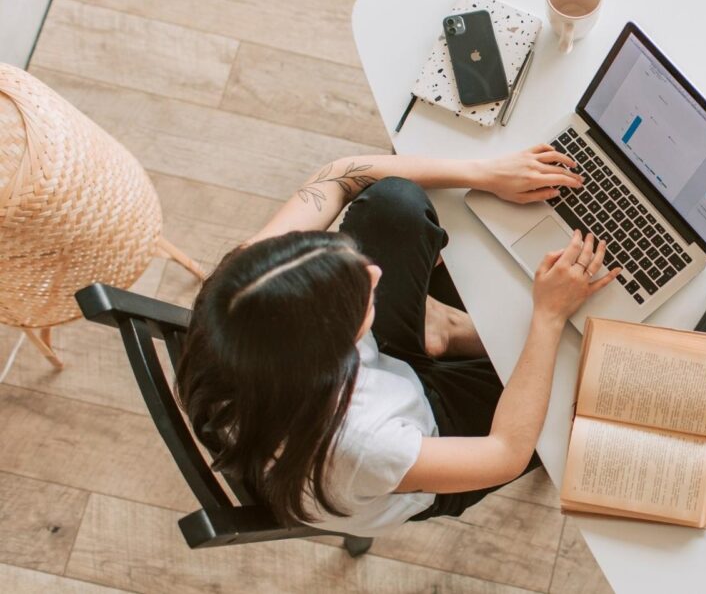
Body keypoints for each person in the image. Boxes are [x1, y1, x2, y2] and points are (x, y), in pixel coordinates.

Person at [174, 144, 621, 536]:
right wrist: (547, 317)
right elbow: (505, 453)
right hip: (425, 442)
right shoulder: (364, 444)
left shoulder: (243, 289)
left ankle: (437, 331)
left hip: (355, 386)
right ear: (334, 352)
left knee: (393, 202)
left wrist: (483, 172)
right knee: (584, 389)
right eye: (359, 298)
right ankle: (442, 331)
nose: (374, 272)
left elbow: (338, 176)